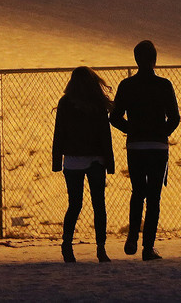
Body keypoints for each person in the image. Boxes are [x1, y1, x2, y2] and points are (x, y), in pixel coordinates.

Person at [109, 39, 180, 261]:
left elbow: (114, 116)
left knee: (138, 191)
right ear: (154, 59)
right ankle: (148, 247)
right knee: (154, 197)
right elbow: (175, 117)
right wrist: (163, 132)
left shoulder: (127, 86)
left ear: (136, 59)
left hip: (136, 146)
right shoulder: (164, 85)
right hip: (157, 147)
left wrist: (131, 129)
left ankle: (132, 235)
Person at [51, 66, 115, 263]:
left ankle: (67, 244)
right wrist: (110, 161)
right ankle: (101, 248)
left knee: (75, 204)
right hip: (96, 159)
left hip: (72, 159)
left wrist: (56, 161)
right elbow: (105, 135)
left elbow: (59, 133)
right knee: (99, 204)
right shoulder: (97, 103)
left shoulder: (65, 102)